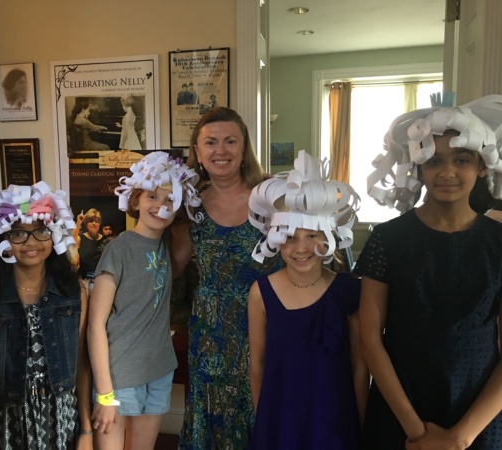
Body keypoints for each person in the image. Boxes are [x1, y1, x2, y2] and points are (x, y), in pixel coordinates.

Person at [355, 95, 502, 449]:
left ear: (481, 166)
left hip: (478, 409)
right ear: (418, 166)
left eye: (461, 159)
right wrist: (417, 432)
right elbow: (370, 338)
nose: (447, 172)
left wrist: (459, 439)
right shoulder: (388, 239)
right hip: (402, 408)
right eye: (434, 161)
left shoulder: (499, 241)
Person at [171, 107, 283, 449]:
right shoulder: (190, 205)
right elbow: (173, 266)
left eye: (230, 141)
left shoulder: (273, 195)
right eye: (211, 142)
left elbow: (305, 250)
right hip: (212, 332)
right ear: (198, 152)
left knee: (267, 408)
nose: (221, 151)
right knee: (213, 414)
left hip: (271, 325)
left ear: (244, 146)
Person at [247, 150, 366, 449]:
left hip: (333, 420)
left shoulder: (349, 292)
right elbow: (258, 363)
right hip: (280, 419)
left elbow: (359, 366)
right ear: (275, 240)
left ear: (329, 237)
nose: (301, 248)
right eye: (289, 237)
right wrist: (266, 420)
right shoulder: (261, 292)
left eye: (312, 236)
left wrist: (359, 422)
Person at [0, 181, 93, 449]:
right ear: (2, 241)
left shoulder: (74, 294)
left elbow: (81, 364)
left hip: (62, 420)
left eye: (40, 231)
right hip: (7, 423)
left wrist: (86, 431)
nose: (31, 242)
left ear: (54, 235)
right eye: (18, 234)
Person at [88, 152, 201, 450]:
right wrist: (105, 393)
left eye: (170, 200)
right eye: (153, 196)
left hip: (159, 369)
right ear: (136, 200)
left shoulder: (168, 247)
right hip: (119, 374)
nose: (161, 206)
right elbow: (96, 323)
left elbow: (189, 230)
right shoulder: (119, 248)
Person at [72, 208, 113, 289]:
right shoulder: (81, 238)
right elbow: (72, 240)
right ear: (86, 224)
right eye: (91, 221)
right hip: (84, 280)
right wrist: (78, 222)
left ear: (99, 224)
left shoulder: (105, 240)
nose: (94, 223)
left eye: (96, 221)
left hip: (101, 280)